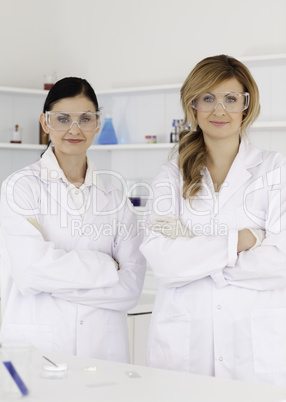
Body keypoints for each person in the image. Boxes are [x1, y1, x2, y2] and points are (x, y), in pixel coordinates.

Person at [140, 55, 286, 385]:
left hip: (255, 350)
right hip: (183, 350)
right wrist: (243, 240)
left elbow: (280, 261)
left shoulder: (274, 170)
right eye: (208, 98)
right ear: (193, 106)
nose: (219, 110)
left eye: (231, 99)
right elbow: (164, 262)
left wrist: (196, 258)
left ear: (246, 107)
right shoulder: (170, 177)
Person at [0, 77, 146, 363]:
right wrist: (107, 265)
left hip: (104, 350)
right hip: (38, 349)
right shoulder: (19, 188)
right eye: (63, 119)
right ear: (45, 123)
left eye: (85, 118)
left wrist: (52, 281)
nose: (74, 129)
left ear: (97, 124)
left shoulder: (115, 198)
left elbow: (130, 290)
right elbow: (30, 273)